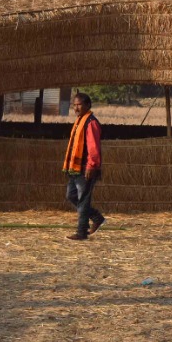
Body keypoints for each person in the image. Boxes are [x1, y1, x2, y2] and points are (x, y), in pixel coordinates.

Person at [62, 91, 104, 240]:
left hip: (86, 168)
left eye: (79, 105)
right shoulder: (80, 121)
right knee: (71, 195)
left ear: (87, 105)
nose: (76, 108)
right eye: (74, 105)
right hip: (75, 167)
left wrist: (92, 166)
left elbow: (93, 147)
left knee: (83, 199)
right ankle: (97, 218)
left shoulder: (90, 123)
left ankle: (81, 232)